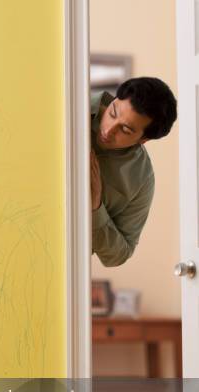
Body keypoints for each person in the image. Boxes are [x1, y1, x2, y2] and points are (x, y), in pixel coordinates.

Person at [91, 77, 177, 267]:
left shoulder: (141, 180)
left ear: (143, 140)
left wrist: (95, 206)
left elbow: (118, 255)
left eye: (125, 129)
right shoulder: (67, 104)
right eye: (113, 113)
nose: (109, 130)